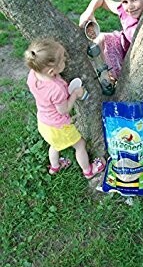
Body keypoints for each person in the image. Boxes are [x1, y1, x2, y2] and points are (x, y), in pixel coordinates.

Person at [25, 38, 105, 178]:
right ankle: (88, 171)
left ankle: (55, 168)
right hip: (59, 126)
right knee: (80, 145)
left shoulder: (33, 75)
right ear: (51, 71)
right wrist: (74, 94)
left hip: (44, 122)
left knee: (54, 145)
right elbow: (63, 110)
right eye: (62, 61)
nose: (65, 61)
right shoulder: (56, 89)